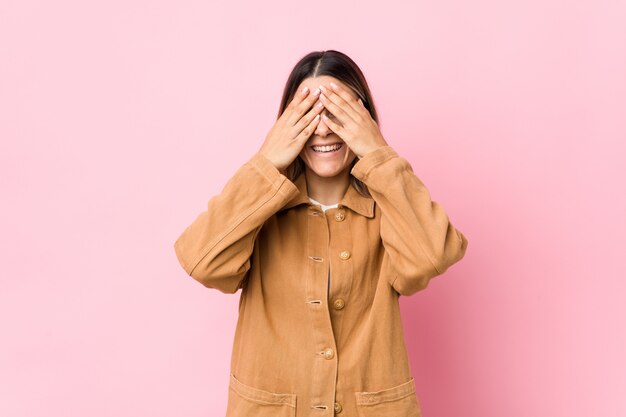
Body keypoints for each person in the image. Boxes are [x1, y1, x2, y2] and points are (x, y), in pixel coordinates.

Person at [173, 50, 469, 417]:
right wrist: (265, 162)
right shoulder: (258, 209)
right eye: (309, 114)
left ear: (364, 120)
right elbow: (202, 261)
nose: (324, 129)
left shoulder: (390, 208)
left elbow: (433, 255)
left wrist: (377, 151)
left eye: (338, 112)